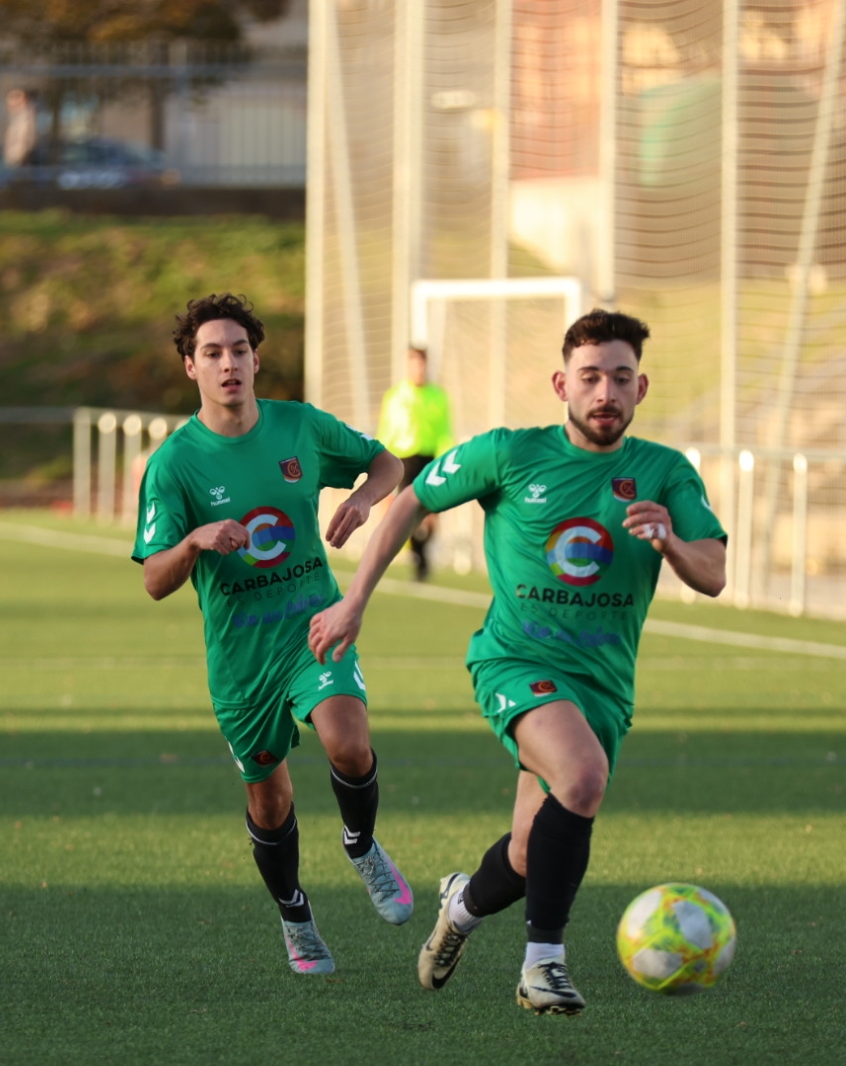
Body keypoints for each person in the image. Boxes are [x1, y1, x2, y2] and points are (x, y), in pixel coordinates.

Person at [309, 309, 726, 1015]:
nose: (605, 393)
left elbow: (712, 572)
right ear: (563, 383)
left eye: (621, 379)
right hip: (514, 661)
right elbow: (411, 500)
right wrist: (355, 601)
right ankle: (543, 965)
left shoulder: (665, 472)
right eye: (591, 377)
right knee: (584, 777)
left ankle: (460, 910)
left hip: (603, 683)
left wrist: (670, 544)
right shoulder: (508, 453)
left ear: (640, 387)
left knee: (535, 853)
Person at [133, 294, 411, 975]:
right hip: (240, 659)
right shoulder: (175, 465)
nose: (227, 364)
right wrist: (194, 541)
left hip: (314, 626)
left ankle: (361, 844)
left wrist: (361, 497)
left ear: (256, 359)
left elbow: (388, 464)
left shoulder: (299, 427)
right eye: (211, 353)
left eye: (238, 351)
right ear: (189, 367)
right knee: (270, 796)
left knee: (348, 740)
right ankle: (295, 915)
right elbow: (155, 579)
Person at [376, 346, 456, 579]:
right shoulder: (395, 396)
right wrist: (380, 463)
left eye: (422, 364)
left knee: (431, 513)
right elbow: (386, 430)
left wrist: (447, 456)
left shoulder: (438, 396)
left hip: (431, 458)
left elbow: (445, 429)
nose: (418, 369)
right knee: (409, 511)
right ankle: (418, 558)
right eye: (414, 364)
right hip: (404, 459)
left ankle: (421, 551)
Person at [3, 88, 37, 169]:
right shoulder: (16, 119)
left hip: (19, 164)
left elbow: (22, 145)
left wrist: (13, 159)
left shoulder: (25, 120)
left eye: (13, 99)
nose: (9, 104)